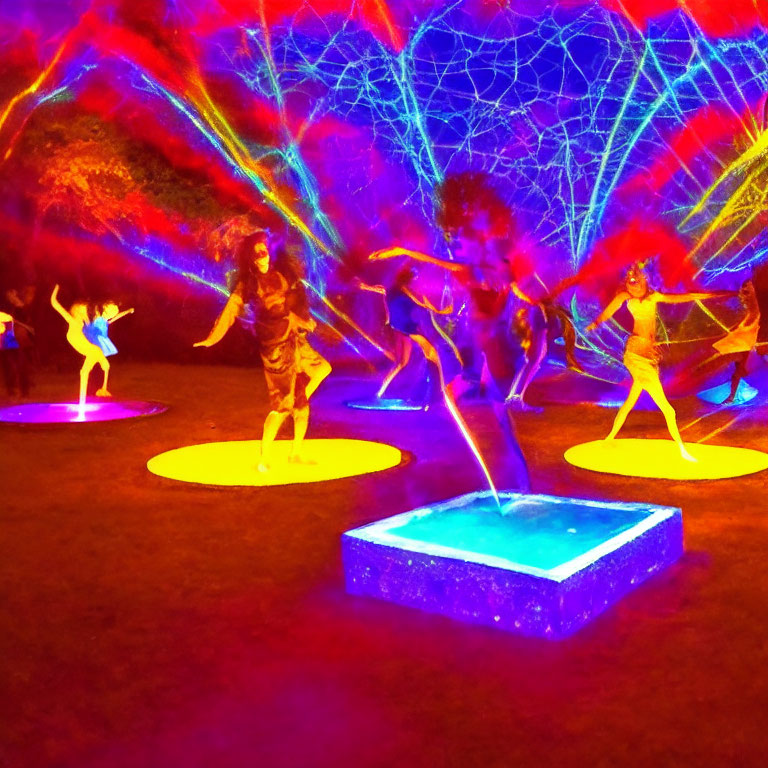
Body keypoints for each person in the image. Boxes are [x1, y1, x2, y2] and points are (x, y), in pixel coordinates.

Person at [195, 232, 331, 471]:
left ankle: (295, 453)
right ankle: (263, 459)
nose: (263, 255)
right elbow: (231, 311)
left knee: (307, 395)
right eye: (257, 252)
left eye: (265, 250)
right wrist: (211, 338)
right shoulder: (248, 284)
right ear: (251, 257)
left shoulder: (281, 276)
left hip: (294, 339)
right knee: (282, 407)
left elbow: (290, 308)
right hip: (275, 350)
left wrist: (304, 321)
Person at [586, 263, 727, 461]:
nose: (632, 284)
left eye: (636, 280)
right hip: (636, 355)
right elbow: (608, 311)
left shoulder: (653, 297)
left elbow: (681, 298)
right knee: (668, 409)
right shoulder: (624, 297)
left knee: (629, 403)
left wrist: (708, 295)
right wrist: (594, 324)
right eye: (629, 281)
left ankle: (608, 438)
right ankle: (682, 450)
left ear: (645, 280)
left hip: (648, 355)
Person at [356, 264, 455, 400]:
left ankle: (381, 391)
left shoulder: (391, 290)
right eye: (415, 278)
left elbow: (379, 289)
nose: (417, 281)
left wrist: (364, 286)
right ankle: (438, 391)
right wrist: (443, 311)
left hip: (397, 326)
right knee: (431, 354)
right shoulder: (407, 290)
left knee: (403, 362)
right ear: (410, 279)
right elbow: (424, 304)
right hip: (406, 327)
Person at [50, 285, 112, 409]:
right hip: (76, 340)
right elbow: (55, 304)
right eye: (82, 310)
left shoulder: (85, 322)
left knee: (101, 361)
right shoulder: (72, 320)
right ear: (77, 311)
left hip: (83, 343)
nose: (84, 312)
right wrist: (56, 288)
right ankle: (100, 386)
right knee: (96, 356)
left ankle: (102, 387)